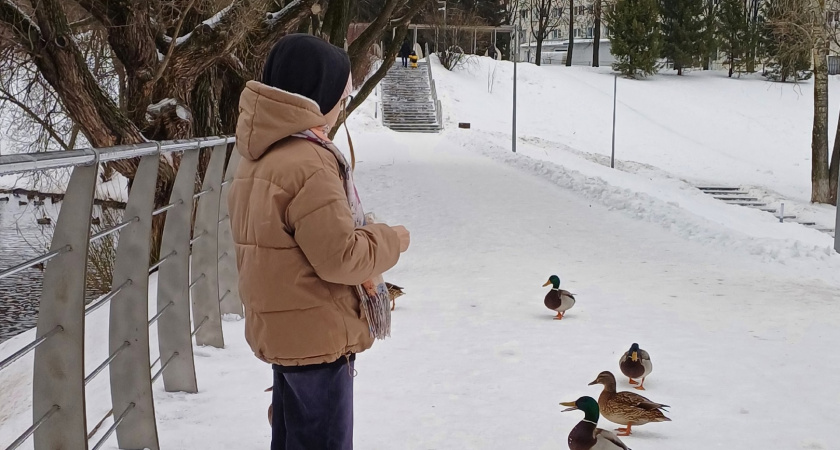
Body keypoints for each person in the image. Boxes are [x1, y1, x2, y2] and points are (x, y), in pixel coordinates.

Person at [228, 34, 411, 450]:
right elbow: (341, 257)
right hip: (317, 340)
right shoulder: (310, 161)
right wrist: (391, 239)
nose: (343, 104)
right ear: (317, 91)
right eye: (342, 94)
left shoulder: (257, 156)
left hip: (284, 334)